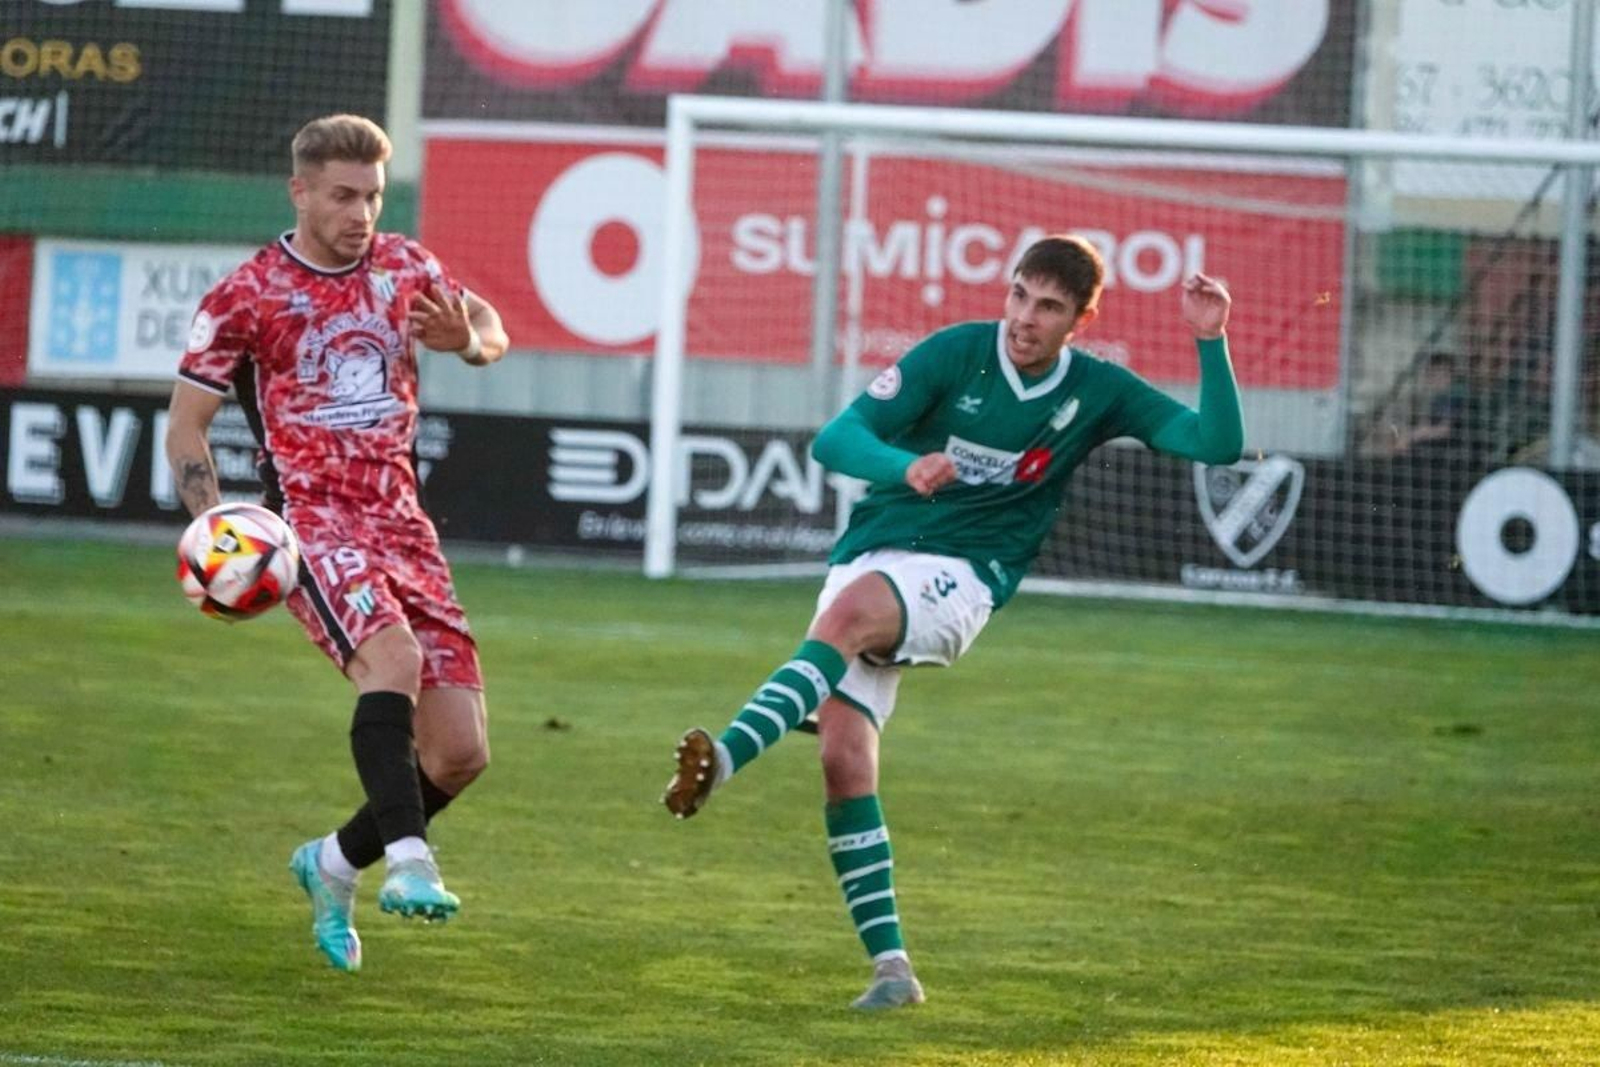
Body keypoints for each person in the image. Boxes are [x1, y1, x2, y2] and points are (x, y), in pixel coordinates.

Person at [662, 234, 1242, 1010]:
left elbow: (1218, 442)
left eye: (1048, 307)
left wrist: (1211, 341)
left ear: (1082, 317)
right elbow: (837, 439)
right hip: (875, 547)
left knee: (846, 616)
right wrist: (903, 466)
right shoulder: (956, 353)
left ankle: (726, 758)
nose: (1024, 319)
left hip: (968, 573)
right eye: (1018, 295)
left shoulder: (1100, 390)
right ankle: (892, 969)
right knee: (842, 757)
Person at [164, 114, 509, 974]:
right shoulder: (247, 294)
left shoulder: (405, 265)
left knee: (461, 752)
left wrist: (466, 339)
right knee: (389, 659)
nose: (362, 213)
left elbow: (490, 328)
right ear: (301, 191)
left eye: (374, 196)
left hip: (403, 521)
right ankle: (411, 862)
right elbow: (185, 426)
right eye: (344, 196)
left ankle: (330, 863)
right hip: (313, 522)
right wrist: (214, 529)